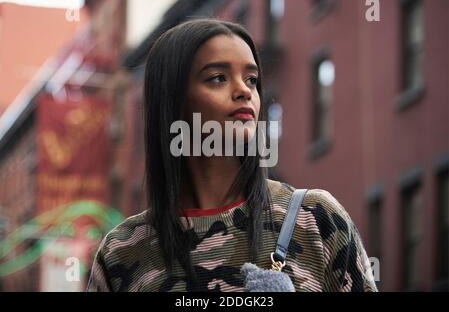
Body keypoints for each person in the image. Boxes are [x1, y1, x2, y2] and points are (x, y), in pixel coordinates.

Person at [87, 18, 378, 292]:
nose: (244, 91)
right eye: (217, 78)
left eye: (251, 80)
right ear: (173, 100)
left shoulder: (314, 218)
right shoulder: (122, 251)